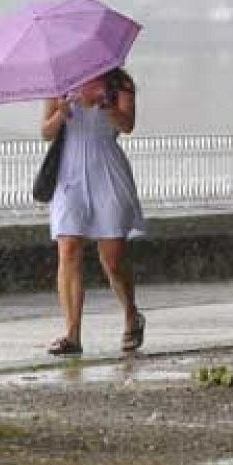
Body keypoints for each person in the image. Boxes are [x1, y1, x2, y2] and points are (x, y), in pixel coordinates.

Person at [40, 67, 146, 356]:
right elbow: (46, 133)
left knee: (112, 258)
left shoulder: (119, 83)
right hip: (69, 174)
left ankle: (131, 314)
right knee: (69, 248)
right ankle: (72, 334)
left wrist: (107, 105)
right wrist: (61, 112)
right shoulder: (60, 81)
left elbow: (127, 125)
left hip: (107, 171)